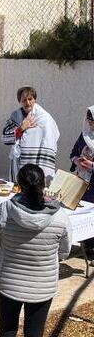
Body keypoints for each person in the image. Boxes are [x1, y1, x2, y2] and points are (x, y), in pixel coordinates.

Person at [0, 164, 72, 337]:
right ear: (44, 185)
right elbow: (65, 251)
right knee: (34, 336)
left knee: (6, 331)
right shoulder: (60, 216)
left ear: (19, 186)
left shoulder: (6, 210)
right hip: (42, 287)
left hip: (8, 283)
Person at [1, 87, 60, 184]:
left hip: (38, 162)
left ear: (35, 99)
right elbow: (5, 138)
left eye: (30, 99)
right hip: (18, 163)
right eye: (24, 100)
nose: (27, 103)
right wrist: (21, 128)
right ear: (19, 101)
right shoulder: (15, 116)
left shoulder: (45, 118)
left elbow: (52, 137)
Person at [70, 105, 94, 256]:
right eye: (89, 120)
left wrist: (91, 165)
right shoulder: (84, 135)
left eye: (93, 120)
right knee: (83, 212)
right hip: (82, 181)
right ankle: (86, 245)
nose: (91, 123)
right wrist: (77, 161)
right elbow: (73, 152)